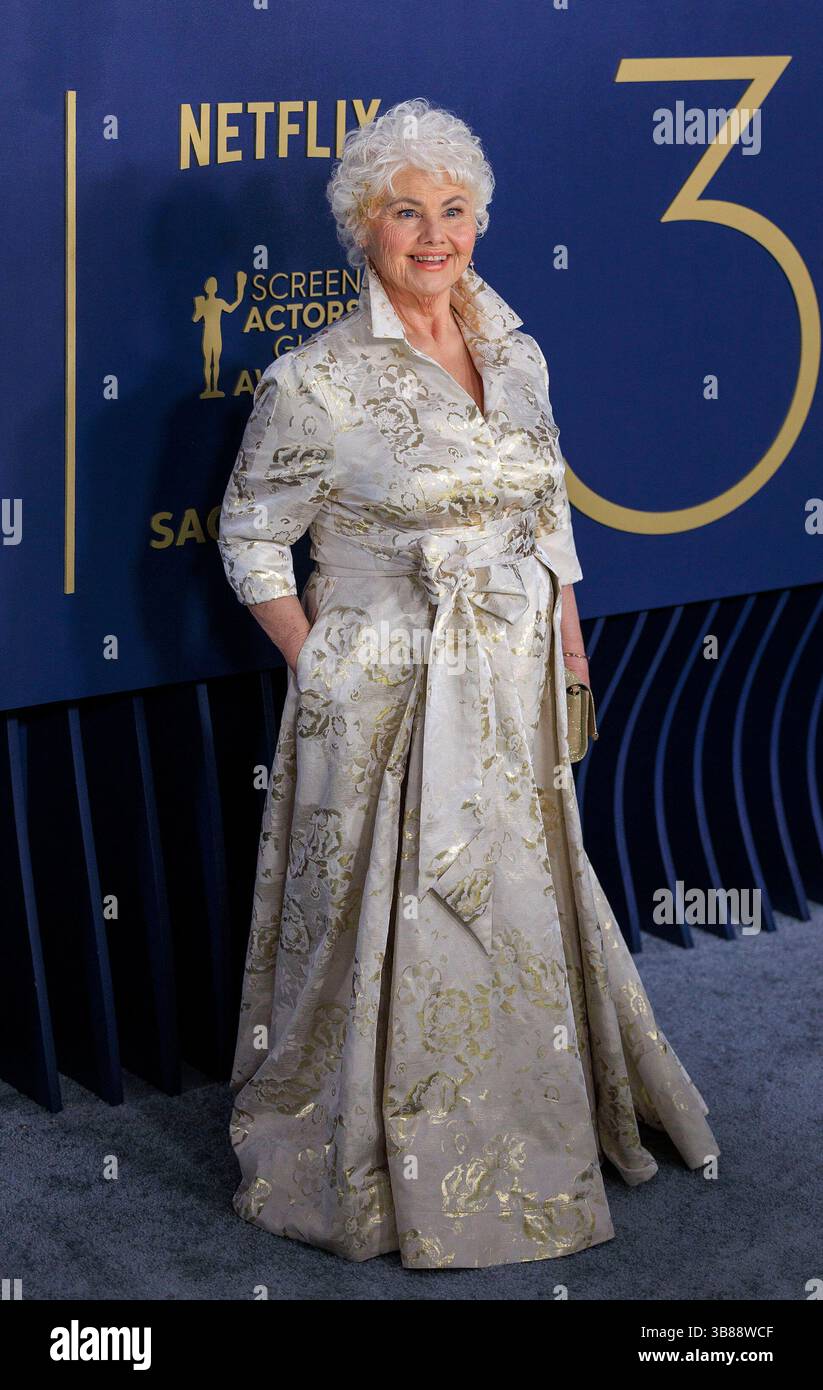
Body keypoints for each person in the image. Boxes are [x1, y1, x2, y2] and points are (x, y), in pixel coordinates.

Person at [218, 97, 719, 1270]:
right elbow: (249, 537)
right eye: (407, 211)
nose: (433, 234)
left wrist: (567, 631)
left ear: (480, 221)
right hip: (385, 697)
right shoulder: (315, 380)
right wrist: (325, 666)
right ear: (363, 226)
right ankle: (386, 1162)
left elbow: (547, 506)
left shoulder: (516, 348)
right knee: (391, 922)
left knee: (511, 909)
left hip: (511, 682)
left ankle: (531, 1127)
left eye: (453, 210)